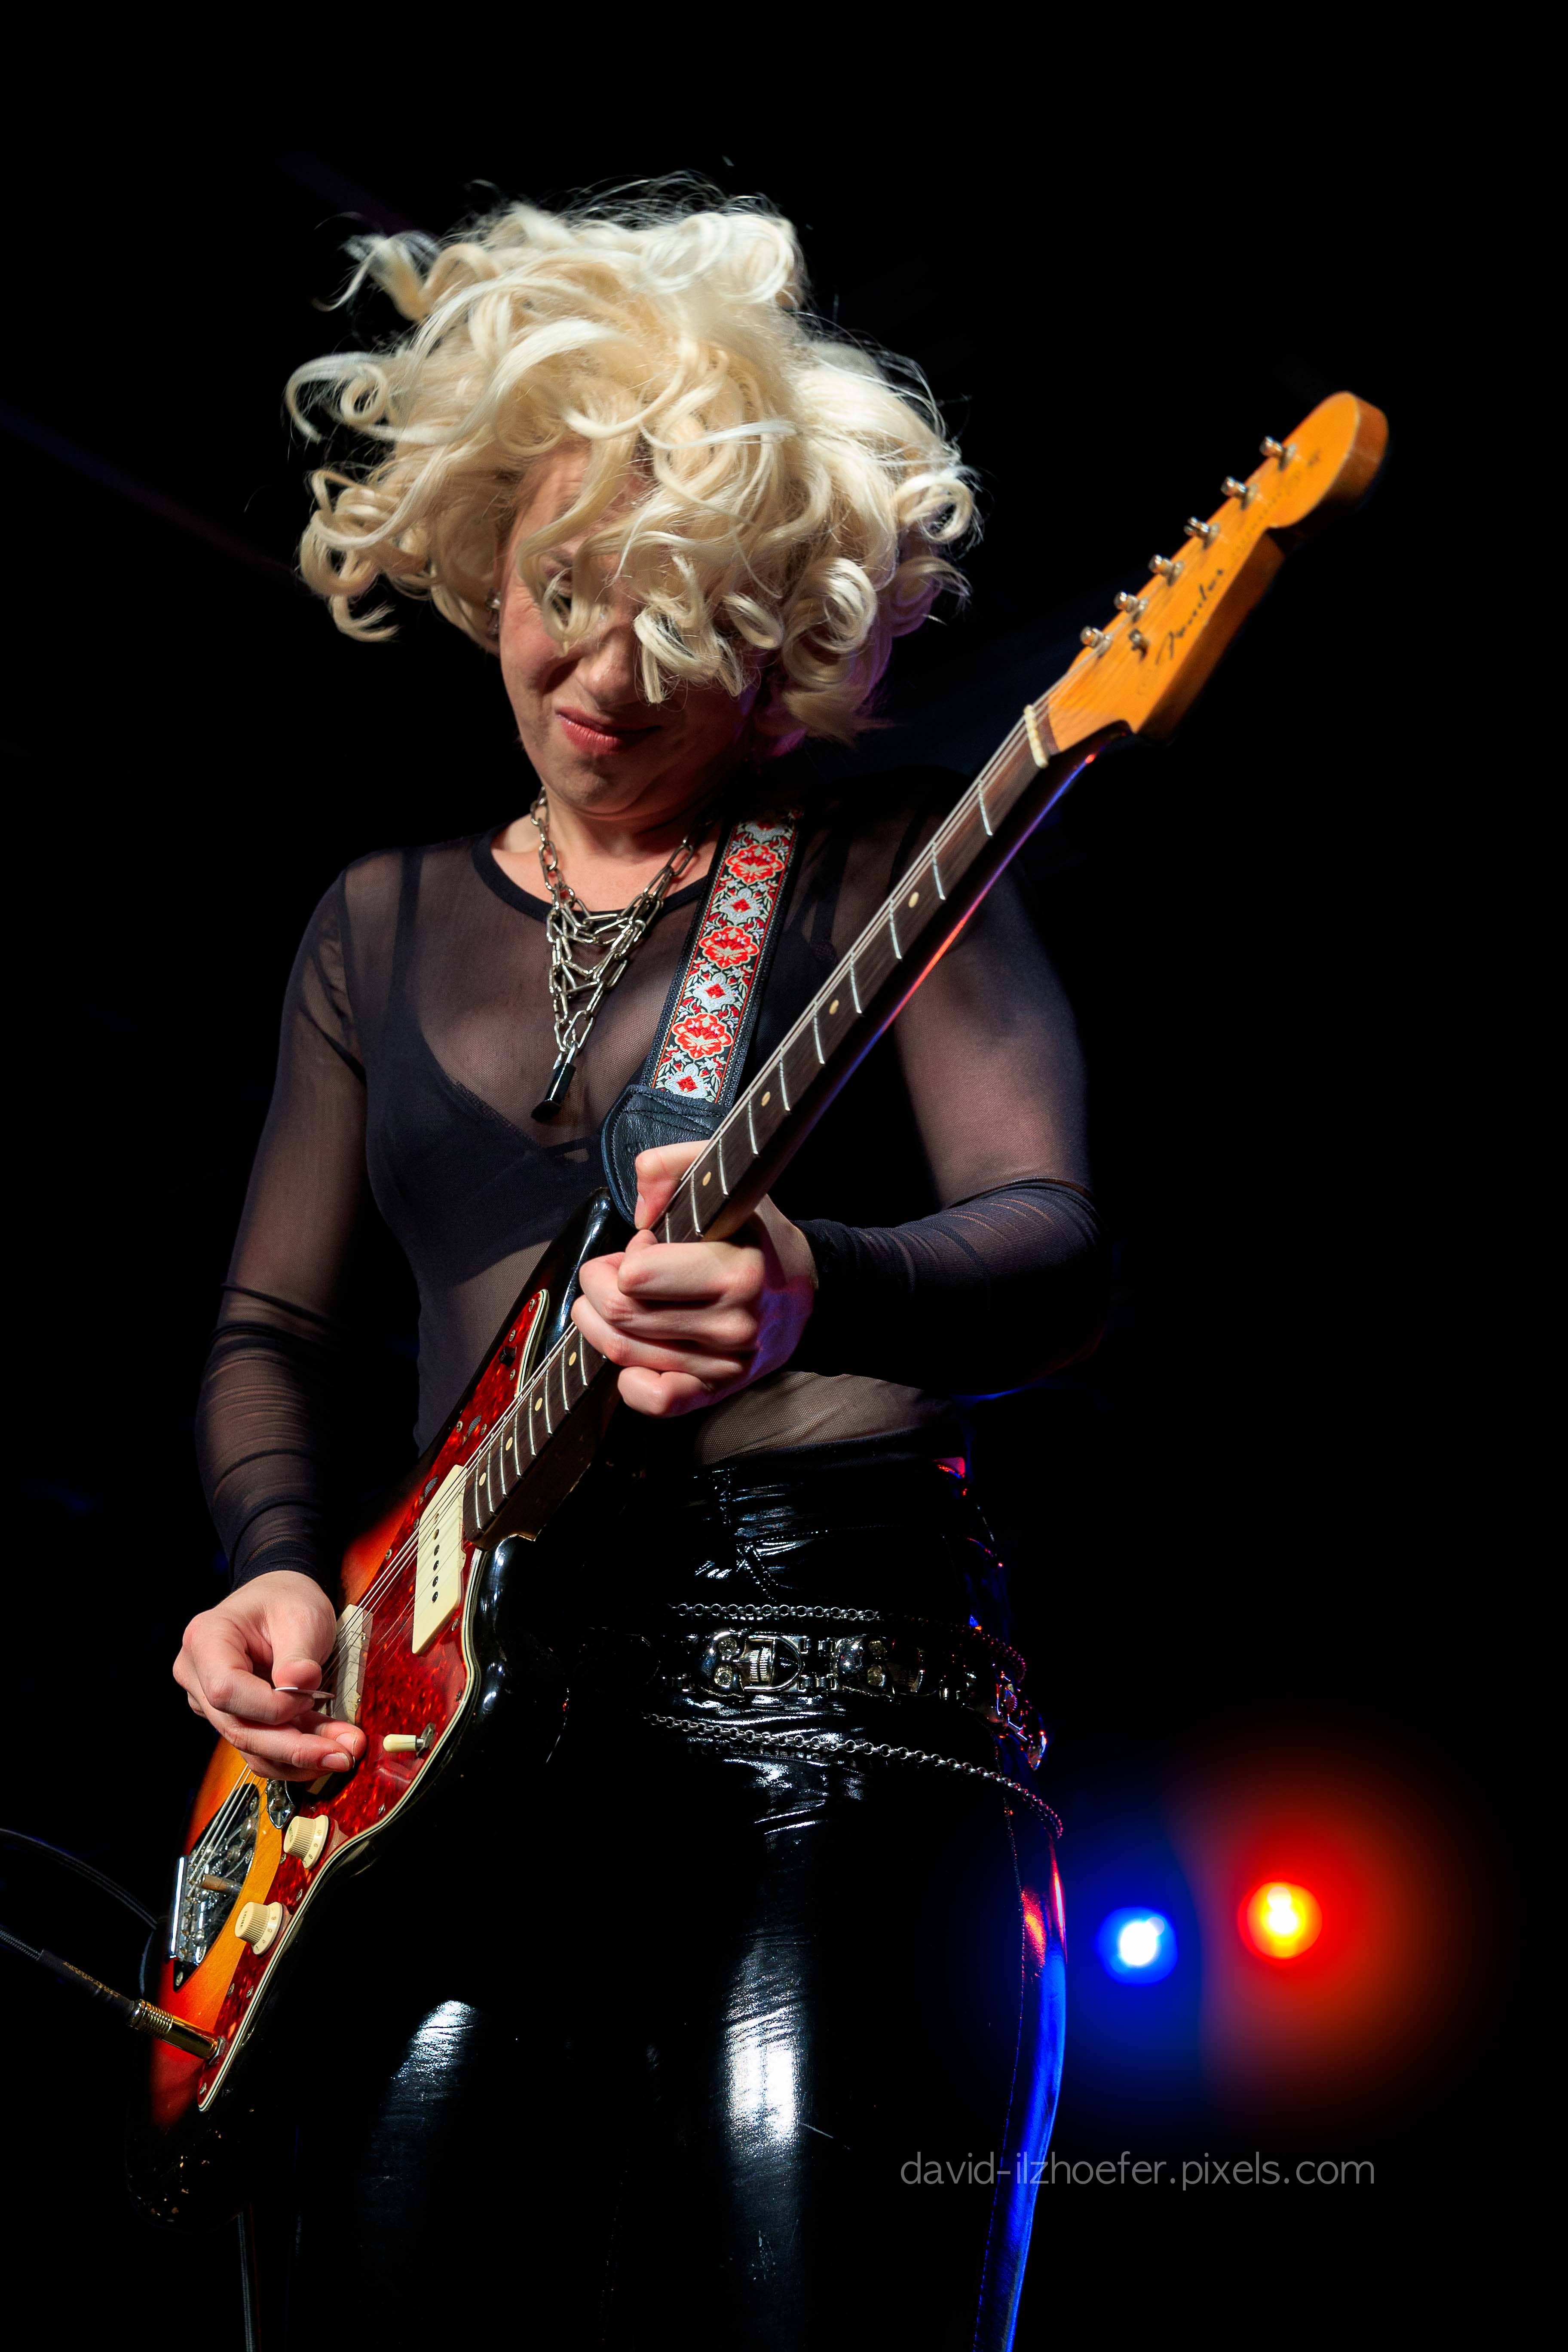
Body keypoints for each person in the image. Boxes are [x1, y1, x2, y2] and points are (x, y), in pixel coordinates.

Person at [172, 191, 1106, 2349]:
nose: (601, 681)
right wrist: (277, 1572)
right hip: (447, 1749)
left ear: (781, 642)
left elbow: (1058, 1248)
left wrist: (816, 1284)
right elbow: (270, 1331)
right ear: (485, 554)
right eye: (564, 597)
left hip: (825, 1690)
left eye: (676, 633)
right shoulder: (375, 923)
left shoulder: (878, 862)